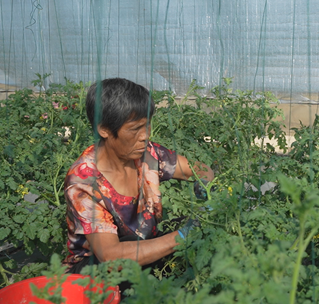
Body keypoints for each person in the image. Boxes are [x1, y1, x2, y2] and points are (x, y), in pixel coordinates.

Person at [63, 78, 214, 273]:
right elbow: (111, 257)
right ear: (104, 130)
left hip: (143, 249)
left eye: (147, 125)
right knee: (136, 245)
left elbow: (199, 169)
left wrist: (205, 184)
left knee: (206, 234)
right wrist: (182, 237)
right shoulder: (83, 182)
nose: (145, 136)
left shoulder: (147, 155)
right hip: (93, 273)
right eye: (135, 129)